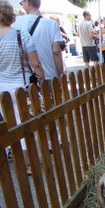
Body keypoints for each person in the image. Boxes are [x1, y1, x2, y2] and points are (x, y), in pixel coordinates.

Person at [0, 0, 45, 174]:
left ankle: (14, 157)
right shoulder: (21, 35)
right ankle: (28, 164)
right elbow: (35, 63)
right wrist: (42, 77)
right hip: (20, 87)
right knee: (23, 126)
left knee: (8, 126)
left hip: (1, 87)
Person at [13, 0, 64, 81]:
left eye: (22, 3)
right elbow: (56, 52)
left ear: (28, 2)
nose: (22, 5)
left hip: (24, 78)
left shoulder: (14, 23)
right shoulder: (52, 24)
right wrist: (61, 75)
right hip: (49, 75)